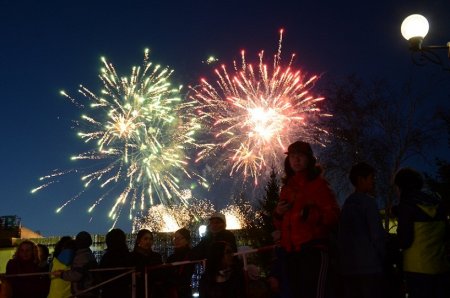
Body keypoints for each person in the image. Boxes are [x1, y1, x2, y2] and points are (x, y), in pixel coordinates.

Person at [273, 140, 340, 298]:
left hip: (313, 250)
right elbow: (279, 225)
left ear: (309, 159)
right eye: (292, 157)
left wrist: (311, 215)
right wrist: (277, 213)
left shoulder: (319, 185)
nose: (296, 160)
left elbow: (334, 216)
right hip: (291, 252)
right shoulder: (287, 188)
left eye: (300, 156)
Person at [393, 167, 450, 298]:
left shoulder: (407, 206)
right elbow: (446, 233)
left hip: (417, 270)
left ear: (402, 186)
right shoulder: (437, 203)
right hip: (441, 267)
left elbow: (405, 241)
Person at [337, 162, 387, 298]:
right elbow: (377, 235)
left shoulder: (347, 204)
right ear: (361, 179)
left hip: (348, 269)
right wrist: (383, 256)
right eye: (371, 178)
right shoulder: (369, 203)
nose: (373, 182)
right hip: (369, 267)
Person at [52, 231, 98, 297]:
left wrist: (62, 274)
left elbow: (77, 274)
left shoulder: (81, 256)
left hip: (84, 291)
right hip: (88, 289)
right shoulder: (88, 254)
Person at [99, 228, 134, 298]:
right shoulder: (127, 256)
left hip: (108, 292)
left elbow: (101, 275)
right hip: (124, 292)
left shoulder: (106, 257)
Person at [131, 229, 164, 298]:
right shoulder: (132, 257)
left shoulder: (156, 256)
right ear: (138, 240)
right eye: (145, 239)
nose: (148, 242)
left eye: (150, 239)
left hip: (154, 291)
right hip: (138, 291)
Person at [165, 228, 195, 298]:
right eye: (175, 238)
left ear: (187, 240)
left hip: (182, 291)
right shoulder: (172, 257)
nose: (176, 241)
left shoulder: (191, 256)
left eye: (179, 238)